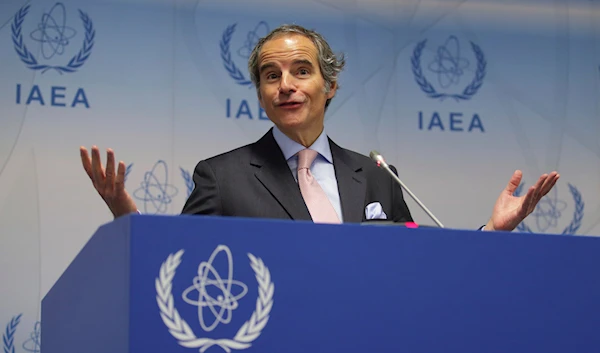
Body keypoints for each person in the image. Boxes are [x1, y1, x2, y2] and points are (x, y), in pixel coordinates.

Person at [80, 24, 559, 230]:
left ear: (330, 85)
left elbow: (417, 256)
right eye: (271, 75)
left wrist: (491, 232)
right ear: (261, 93)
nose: (285, 85)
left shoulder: (375, 175)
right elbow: (178, 264)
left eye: (301, 71)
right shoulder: (221, 176)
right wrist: (126, 213)